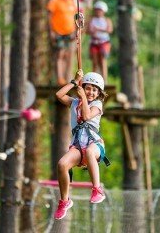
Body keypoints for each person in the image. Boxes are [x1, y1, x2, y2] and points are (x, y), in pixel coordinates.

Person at [54, 70, 107, 220]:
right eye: (88, 88)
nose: (91, 92)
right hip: (78, 146)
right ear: (83, 87)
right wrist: (74, 82)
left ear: (98, 93)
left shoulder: (97, 104)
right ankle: (64, 201)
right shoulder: (74, 103)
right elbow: (59, 95)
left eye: (94, 90)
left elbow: (87, 116)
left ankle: (97, 189)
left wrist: (83, 96)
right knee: (62, 164)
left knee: (90, 152)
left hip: (94, 144)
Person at [47, 0, 76, 86]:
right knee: (59, 54)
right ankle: (59, 77)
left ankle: (65, 77)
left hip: (69, 32)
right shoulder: (55, 1)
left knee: (66, 55)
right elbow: (49, 16)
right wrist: (51, 31)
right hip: (58, 32)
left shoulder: (71, 1)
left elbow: (75, 17)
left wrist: (76, 31)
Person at [87, 1, 113, 83]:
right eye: (97, 10)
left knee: (102, 60)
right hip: (94, 42)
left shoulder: (106, 20)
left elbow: (110, 30)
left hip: (104, 42)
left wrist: (98, 29)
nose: (98, 12)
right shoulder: (92, 20)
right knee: (95, 61)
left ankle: (104, 80)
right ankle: (93, 80)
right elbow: (88, 31)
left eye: (100, 10)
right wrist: (92, 31)